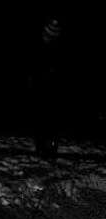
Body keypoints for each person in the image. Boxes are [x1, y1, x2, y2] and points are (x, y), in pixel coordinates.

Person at [30, 16, 64, 161]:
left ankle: (46, 148)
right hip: (44, 85)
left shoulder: (50, 47)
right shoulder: (43, 46)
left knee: (48, 119)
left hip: (50, 86)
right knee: (44, 118)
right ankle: (44, 148)